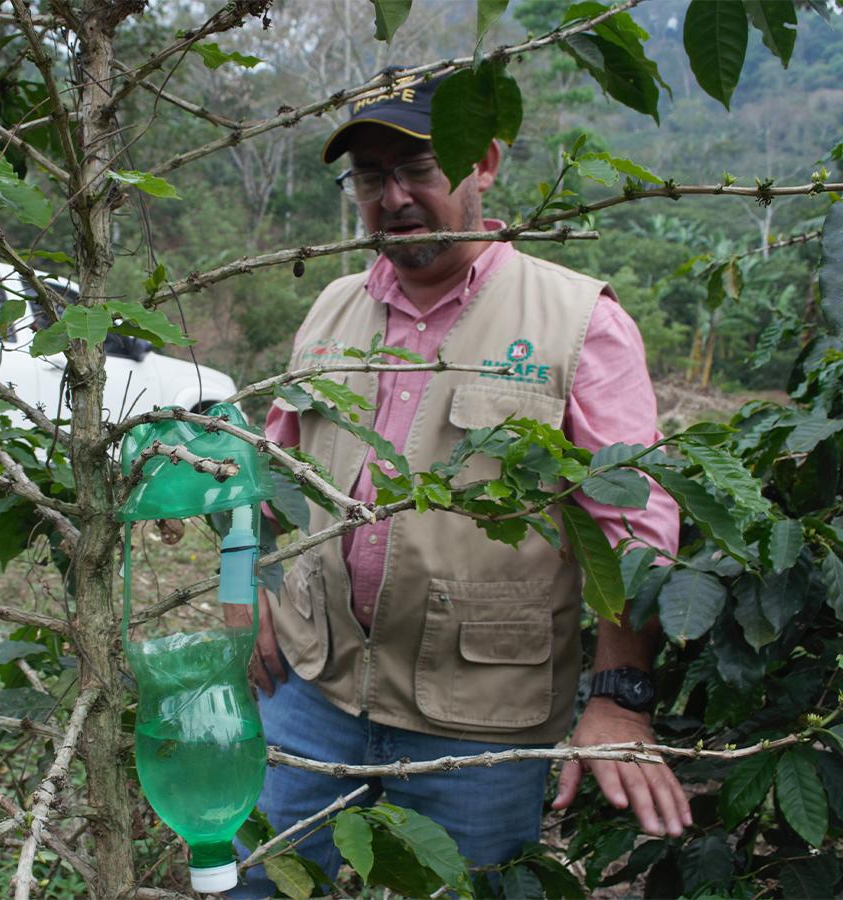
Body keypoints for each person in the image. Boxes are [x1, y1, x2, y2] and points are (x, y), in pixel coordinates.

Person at [225, 69, 691, 895]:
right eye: (371, 177)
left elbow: (638, 525)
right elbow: (269, 469)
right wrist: (241, 583)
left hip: (478, 722)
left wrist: (620, 697)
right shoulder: (332, 308)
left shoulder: (577, 320)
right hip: (312, 690)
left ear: (484, 164)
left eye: (419, 169)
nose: (394, 196)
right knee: (259, 882)